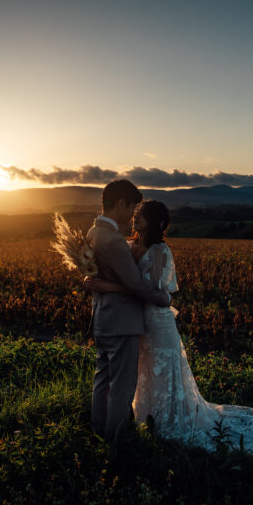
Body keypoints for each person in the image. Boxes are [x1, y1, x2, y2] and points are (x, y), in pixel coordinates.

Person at [85, 200, 253, 470]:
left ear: (154, 222)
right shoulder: (130, 248)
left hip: (157, 321)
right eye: (135, 214)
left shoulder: (159, 251)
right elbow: (129, 281)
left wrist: (108, 286)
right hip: (137, 321)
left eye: (140, 216)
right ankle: (148, 418)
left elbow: (147, 291)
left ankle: (168, 421)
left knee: (165, 372)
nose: (134, 219)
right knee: (145, 373)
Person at [87, 180, 172, 441]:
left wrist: (103, 286)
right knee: (122, 386)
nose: (132, 214)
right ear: (121, 203)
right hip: (121, 322)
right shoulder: (113, 240)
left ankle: (98, 430)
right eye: (132, 207)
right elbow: (134, 284)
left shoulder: (93, 232)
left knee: (102, 379)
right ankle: (116, 438)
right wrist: (162, 297)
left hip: (102, 317)